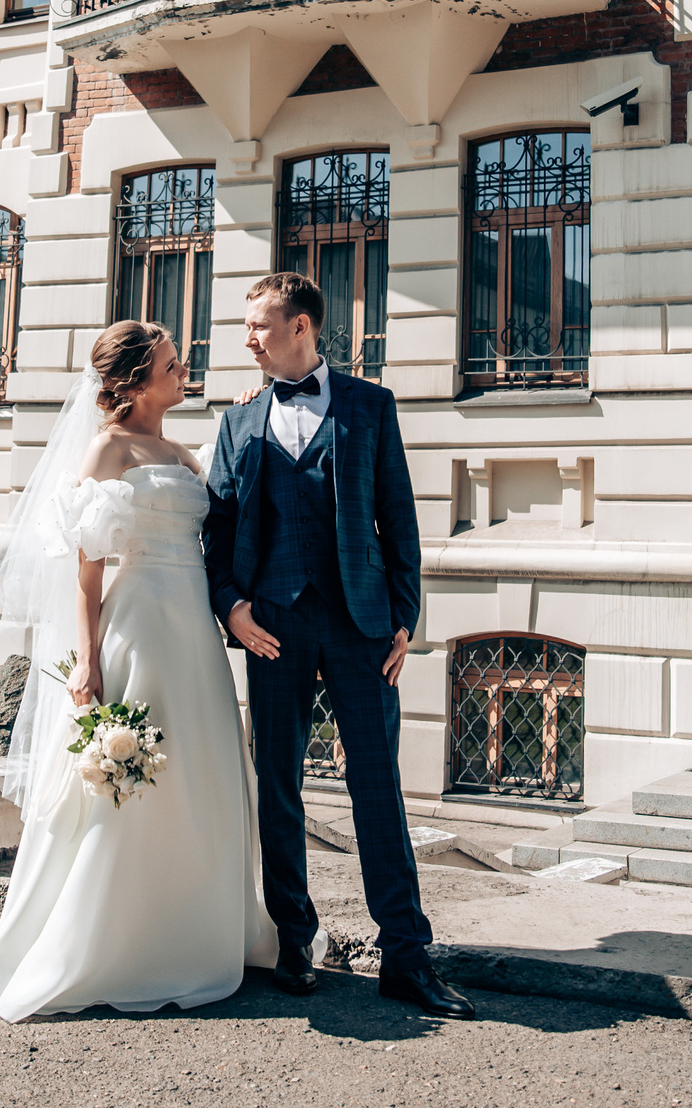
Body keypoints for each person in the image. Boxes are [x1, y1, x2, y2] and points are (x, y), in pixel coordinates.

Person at [0, 321, 275, 1020]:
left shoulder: (181, 451)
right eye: (171, 364)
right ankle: (114, 938)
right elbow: (87, 573)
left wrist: (248, 412)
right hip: (139, 626)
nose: (183, 371)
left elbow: (224, 485)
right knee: (131, 786)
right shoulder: (108, 448)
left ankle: (196, 926)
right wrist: (87, 660)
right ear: (135, 382)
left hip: (193, 633)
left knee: (200, 773)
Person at [203, 272, 479, 1019]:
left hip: (362, 625)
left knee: (377, 787)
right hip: (273, 628)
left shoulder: (370, 405)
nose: (248, 339)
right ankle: (295, 940)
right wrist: (231, 609)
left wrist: (404, 617)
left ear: (301, 326)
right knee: (279, 784)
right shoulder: (238, 421)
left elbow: (399, 516)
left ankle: (406, 957)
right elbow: (217, 532)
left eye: (258, 325)